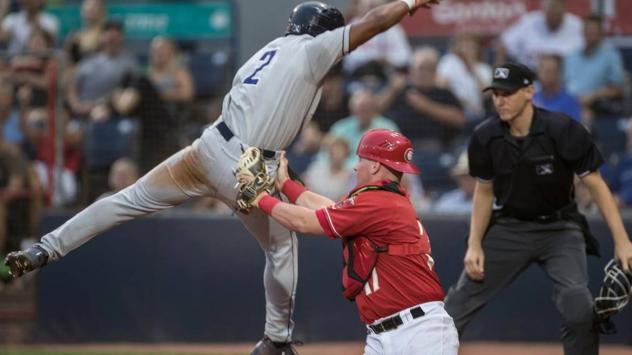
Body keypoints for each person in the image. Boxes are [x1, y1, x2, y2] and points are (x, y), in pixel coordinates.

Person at [4, 1, 443, 354]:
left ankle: (45, 248)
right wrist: (407, 3)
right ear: (321, 32)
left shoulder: (266, 51)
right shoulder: (311, 52)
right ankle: (276, 339)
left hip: (209, 147)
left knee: (128, 199)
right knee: (282, 246)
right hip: (249, 163)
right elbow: (371, 23)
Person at [443, 62, 632, 355]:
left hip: (560, 228)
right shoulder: (485, 135)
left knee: (578, 306)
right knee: (455, 306)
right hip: (509, 227)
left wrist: (622, 241)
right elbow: (483, 191)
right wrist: (474, 244)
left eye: (508, 93)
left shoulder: (562, 129)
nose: (500, 100)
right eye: (495, 94)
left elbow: (597, 186)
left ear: (529, 91)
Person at [246, 129, 459, 355]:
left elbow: (304, 222)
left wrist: (259, 198)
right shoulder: (384, 201)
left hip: (420, 333)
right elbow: (328, 208)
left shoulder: (378, 201)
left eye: (361, 159)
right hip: (384, 335)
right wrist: (286, 185)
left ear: (375, 166)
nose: (356, 167)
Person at [496, 0, 583, 69]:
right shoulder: (529, 22)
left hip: (566, 78)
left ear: (563, 10)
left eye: (556, 11)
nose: (553, 15)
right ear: (543, 10)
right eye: (550, 12)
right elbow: (503, 45)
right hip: (530, 76)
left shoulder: (576, 26)